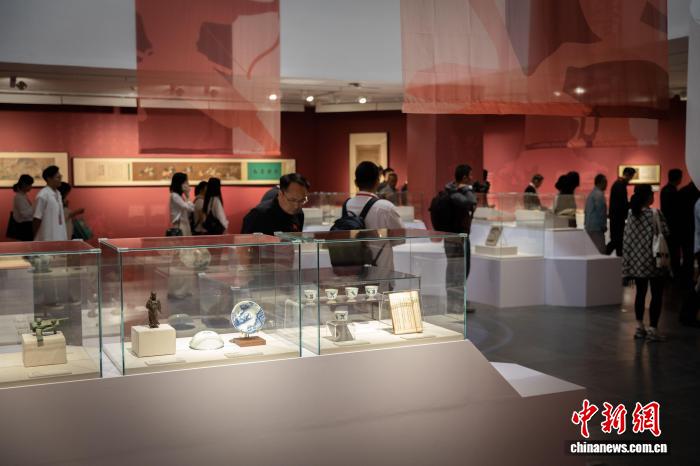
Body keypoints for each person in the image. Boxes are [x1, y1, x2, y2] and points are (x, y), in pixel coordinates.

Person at [622, 184, 669, 342]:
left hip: (638, 263)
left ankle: (639, 327)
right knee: (656, 295)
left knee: (640, 295)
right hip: (654, 262)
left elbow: (627, 240)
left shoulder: (631, 214)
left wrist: (627, 267)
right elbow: (666, 232)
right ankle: (653, 329)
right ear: (648, 196)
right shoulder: (655, 213)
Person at [345, 162, 404, 270]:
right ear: (377, 181)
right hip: (381, 271)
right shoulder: (386, 208)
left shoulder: (346, 205)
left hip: (352, 270)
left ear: (355, 182)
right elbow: (400, 238)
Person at [441, 164, 477, 314]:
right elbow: (471, 201)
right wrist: (466, 189)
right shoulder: (457, 194)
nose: (472, 178)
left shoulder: (450, 191)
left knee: (455, 270)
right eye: (470, 175)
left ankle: (455, 301)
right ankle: (456, 303)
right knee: (459, 271)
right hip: (458, 238)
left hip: (452, 237)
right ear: (464, 177)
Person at [241, 173, 309, 235]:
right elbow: (244, 242)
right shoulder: (258, 215)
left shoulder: (300, 214)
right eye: (292, 200)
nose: (296, 206)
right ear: (280, 194)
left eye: (302, 200)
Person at [33, 166, 68, 241]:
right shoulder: (43, 195)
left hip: (59, 235)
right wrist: (34, 236)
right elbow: (37, 218)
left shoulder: (58, 193)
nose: (60, 180)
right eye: (57, 177)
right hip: (47, 236)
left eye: (60, 177)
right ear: (49, 179)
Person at [608, 167, 636, 256]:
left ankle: (616, 260)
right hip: (617, 219)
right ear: (627, 175)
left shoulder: (618, 184)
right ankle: (603, 257)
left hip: (616, 218)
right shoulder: (620, 185)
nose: (630, 180)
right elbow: (622, 204)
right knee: (617, 241)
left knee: (617, 242)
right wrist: (631, 204)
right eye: (631, 177)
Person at [660, 169, 683, 278]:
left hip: (666, 224)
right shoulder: (674, 191)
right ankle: (675, 273)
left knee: (668, 250)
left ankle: (667, 272)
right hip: (674, 226)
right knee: (674, 252)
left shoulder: (664, 190)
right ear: (678, 179)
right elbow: (677, 211)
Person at [678, 181, 700, 285]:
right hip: (693, 228)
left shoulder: (682, 191)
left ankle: (686, 278)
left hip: (683, 228)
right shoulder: (697, 194)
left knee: (686, 255)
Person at [584, 174, 608, 254]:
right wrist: (603, 226)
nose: (606, 184)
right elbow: (601, 213)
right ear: (600, 182)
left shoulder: (591, 194)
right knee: (600, 251)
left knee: (591, 251)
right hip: (597, 228)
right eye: (605, 182)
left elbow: (586, 211)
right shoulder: (599, 195)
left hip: (589, 227)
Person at [10, 174, 35, 241]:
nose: (31, 186)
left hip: (26, 225)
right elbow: (25, 214)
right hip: (23, 226)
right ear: (24, 185)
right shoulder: (19, 197)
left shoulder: (23, 195)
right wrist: (35, 207)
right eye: (30, 185)